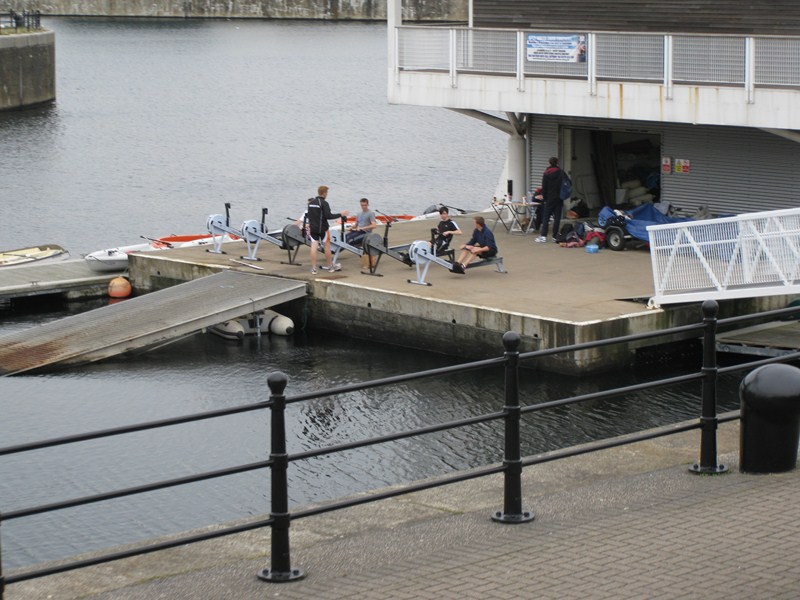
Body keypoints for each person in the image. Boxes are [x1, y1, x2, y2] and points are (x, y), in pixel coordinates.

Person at [305, 185, 349, 275]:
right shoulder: (324, 203)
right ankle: (330, 267)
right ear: (324, 193)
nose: (327, 194)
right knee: (327, 247)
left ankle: (314, 269)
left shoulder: (311, 203)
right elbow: (329, 216)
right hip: (323, 229)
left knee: (313, 247)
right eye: (327, 192)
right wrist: (341, 214)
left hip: (313, 229)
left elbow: (310, 215)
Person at [535, 157, 565, 243]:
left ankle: (543, 236)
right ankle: (555, 236)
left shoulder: (546, 173)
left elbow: (544, 187)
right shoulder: (561, 172)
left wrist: (543, 196)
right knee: (557, 217)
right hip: (559, 198)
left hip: (549, 198)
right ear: (557, 162)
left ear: (549, 163)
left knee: (546, 217)